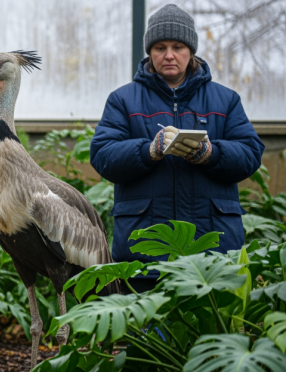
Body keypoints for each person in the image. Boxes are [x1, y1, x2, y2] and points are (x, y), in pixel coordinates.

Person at [90, 3, 264, 293]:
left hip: (213, 251)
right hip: (145, 250)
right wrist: (149, 151)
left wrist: (211, 154)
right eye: (159, 47)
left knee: (207, 334)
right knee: (149, 333)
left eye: (178, 46)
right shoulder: (123, 100)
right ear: (149, 51)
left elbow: (249, 154)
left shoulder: (226, 100)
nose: (169, 55)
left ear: (191, 51)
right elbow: (103, 156)